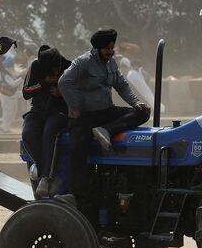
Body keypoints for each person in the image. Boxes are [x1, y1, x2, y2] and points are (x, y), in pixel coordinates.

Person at [58, 29, 150, 203]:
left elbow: (121, 85)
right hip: (85, 116)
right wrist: (74, 106)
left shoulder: (111, 63)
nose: (110, 51)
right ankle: (74, 195)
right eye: (107, 48)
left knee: (142, 113)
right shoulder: (83, 62)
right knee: (78, 152)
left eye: (112, 48)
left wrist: (136, 102)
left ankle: (106, 130)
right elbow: (64, 82)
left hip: (106, 112)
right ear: (98, 48)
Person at [22, 46, 71, 181]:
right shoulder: (35, 66)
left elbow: (79, 91)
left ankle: (46, 177)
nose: (54, 73)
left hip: (59, 110)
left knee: (49, 132)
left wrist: (62, 92)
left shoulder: (69, 67)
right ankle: (44, 169)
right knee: (28, 134)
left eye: (56, 70)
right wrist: (43, 83)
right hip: (38, 110)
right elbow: (26, 92)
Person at [0, 54, 22, 133]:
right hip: (5, 95)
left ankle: (6, 126)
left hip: (12, 95)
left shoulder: (11, 73)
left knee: (13, 111)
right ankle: (4, 127)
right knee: (7, 111)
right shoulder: (5, 74)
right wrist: (21, 78)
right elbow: (13, 84)